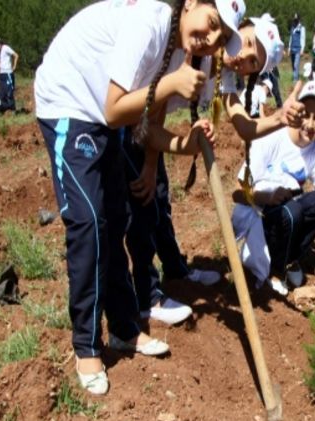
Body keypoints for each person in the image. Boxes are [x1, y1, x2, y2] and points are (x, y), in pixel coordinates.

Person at [34, 0, 245, 394]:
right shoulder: (150, 21)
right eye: (212, 22)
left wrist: (188, 143)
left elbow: (144, 129)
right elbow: (115, 111)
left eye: (220, 38)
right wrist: (169, 84)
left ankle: (125, 330)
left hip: (100, 114)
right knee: (90, 223)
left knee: (115, 219)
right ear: (193, 4)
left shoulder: (180, 50)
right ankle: (86, 345)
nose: (211, 37)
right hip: (70, 101)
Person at [123, 14, 294, 326]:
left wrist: (279, 118)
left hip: (146, 123)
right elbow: (154, 106)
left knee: (159, 199)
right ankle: (147, 296)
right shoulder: (196, 46)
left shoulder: (222, 71)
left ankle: (176, 270)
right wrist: (149, 164)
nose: (243, 57)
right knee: (143, 204)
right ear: (238, 28)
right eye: (248, 43)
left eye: (252, 63)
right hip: (130, 116)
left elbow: (242, 124)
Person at [231, 79, 315, 295]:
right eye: (305, 114)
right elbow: (237, 192)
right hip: (258, 210)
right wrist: (266, 196)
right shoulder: (271, 136)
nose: (310, 124)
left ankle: (289, 258)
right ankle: (276, 269)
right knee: (292, 212)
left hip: (285, 210)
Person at [0, 34, 19, 112]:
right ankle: (4, 110)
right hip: (2, 74)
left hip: (8, 74)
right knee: (2, 94)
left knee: (9, 93)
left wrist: (14, 66)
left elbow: (16, 55)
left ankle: (12, 110)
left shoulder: (6, 48)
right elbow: (0, 62)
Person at [288, 14, 306, 82]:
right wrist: (289, 48)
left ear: (299, 20)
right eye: (294, 20)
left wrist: (302, 49)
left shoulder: (302, 28)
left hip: (298, 49)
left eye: (296, 20)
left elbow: (303, 39)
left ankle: (295, 80)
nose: (295, 21)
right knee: (293, 65)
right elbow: (291, 38)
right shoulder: (292, 27)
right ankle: (296, 76)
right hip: (292, 48)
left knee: (296, 64)